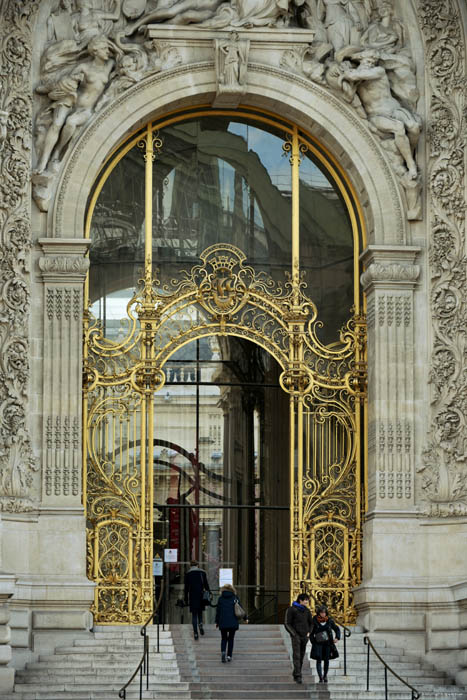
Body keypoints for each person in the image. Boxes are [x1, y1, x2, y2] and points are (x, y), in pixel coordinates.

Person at [284, 592, 313, 684]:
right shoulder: (292, 609)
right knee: (296, 655)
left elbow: (311, 623)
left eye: (307, 600)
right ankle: (298, 675)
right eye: (305, 600)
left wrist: (309, 632)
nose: (307, 602)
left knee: (301, 655)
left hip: (305, 636)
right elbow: (287, 623)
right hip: (296, 636)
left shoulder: (307, 611)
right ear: (300, 600)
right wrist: (294, 634)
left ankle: (296, 672)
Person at [215, 583, 247, 662]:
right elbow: (240, 608)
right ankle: (229, 656)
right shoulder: (235, 598)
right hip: (233, 622)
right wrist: (245, 618)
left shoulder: (220, 599)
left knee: (224, 638)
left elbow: (218, 611)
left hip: (223, 622)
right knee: (231, 639)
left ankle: (223, 652)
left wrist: (217, 622)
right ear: (232, 590)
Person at [310, 605, 340, 683]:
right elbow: (311, 633)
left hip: (328, 644)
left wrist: (337, 637)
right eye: (321, 613)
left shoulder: (329, 620)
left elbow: (336, 629)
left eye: (324, 612)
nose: (323, 614)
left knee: (327, 660)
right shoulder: (314, 620)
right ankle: (320, 677)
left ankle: (325, 676)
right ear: (318, 613)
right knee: (318, 659)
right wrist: (313, 642)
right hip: (318, 644)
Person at [184, 559, 211, 640]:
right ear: (197, 565)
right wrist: (209, 593)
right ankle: (201, 624)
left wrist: (186, 598)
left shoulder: (188, 574)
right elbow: (206, 585)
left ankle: (195, 633)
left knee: (194, 615)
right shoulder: (202, 573)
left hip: (192, 596)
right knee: (200, 612)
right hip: (201, 596)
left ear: (190, 565)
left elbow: (186, 588)